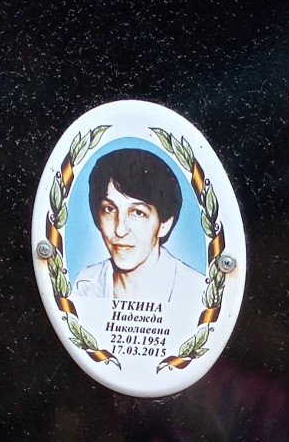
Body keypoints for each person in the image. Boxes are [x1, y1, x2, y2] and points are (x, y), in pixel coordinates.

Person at [70, 148, 204, 364]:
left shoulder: (198, 292)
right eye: (109, 209)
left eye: (138, 213)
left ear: (164, 224)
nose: (120, 229)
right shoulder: (86, 283)